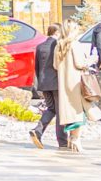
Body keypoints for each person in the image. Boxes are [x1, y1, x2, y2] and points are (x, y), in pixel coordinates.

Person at [54, 10, 92, 152]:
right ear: (72, 31)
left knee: (68, 112)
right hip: (75, 81)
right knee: (78, 112)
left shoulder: (58, 45)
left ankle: (71, 138)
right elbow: (80, 63)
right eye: (76, 28)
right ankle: (76, 139)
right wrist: (89, 62)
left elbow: (55, 65)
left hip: (63, 82)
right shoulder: (75, 44)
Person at [29, 24, 68, 150]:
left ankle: (38, 130)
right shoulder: (58, 45)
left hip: (44, 83)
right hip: (56, 83)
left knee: (51, 108)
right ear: (57, 32)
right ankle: (62, 142)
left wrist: (40, 83)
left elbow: (37, 67)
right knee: (60, 111)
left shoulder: (40, 47)